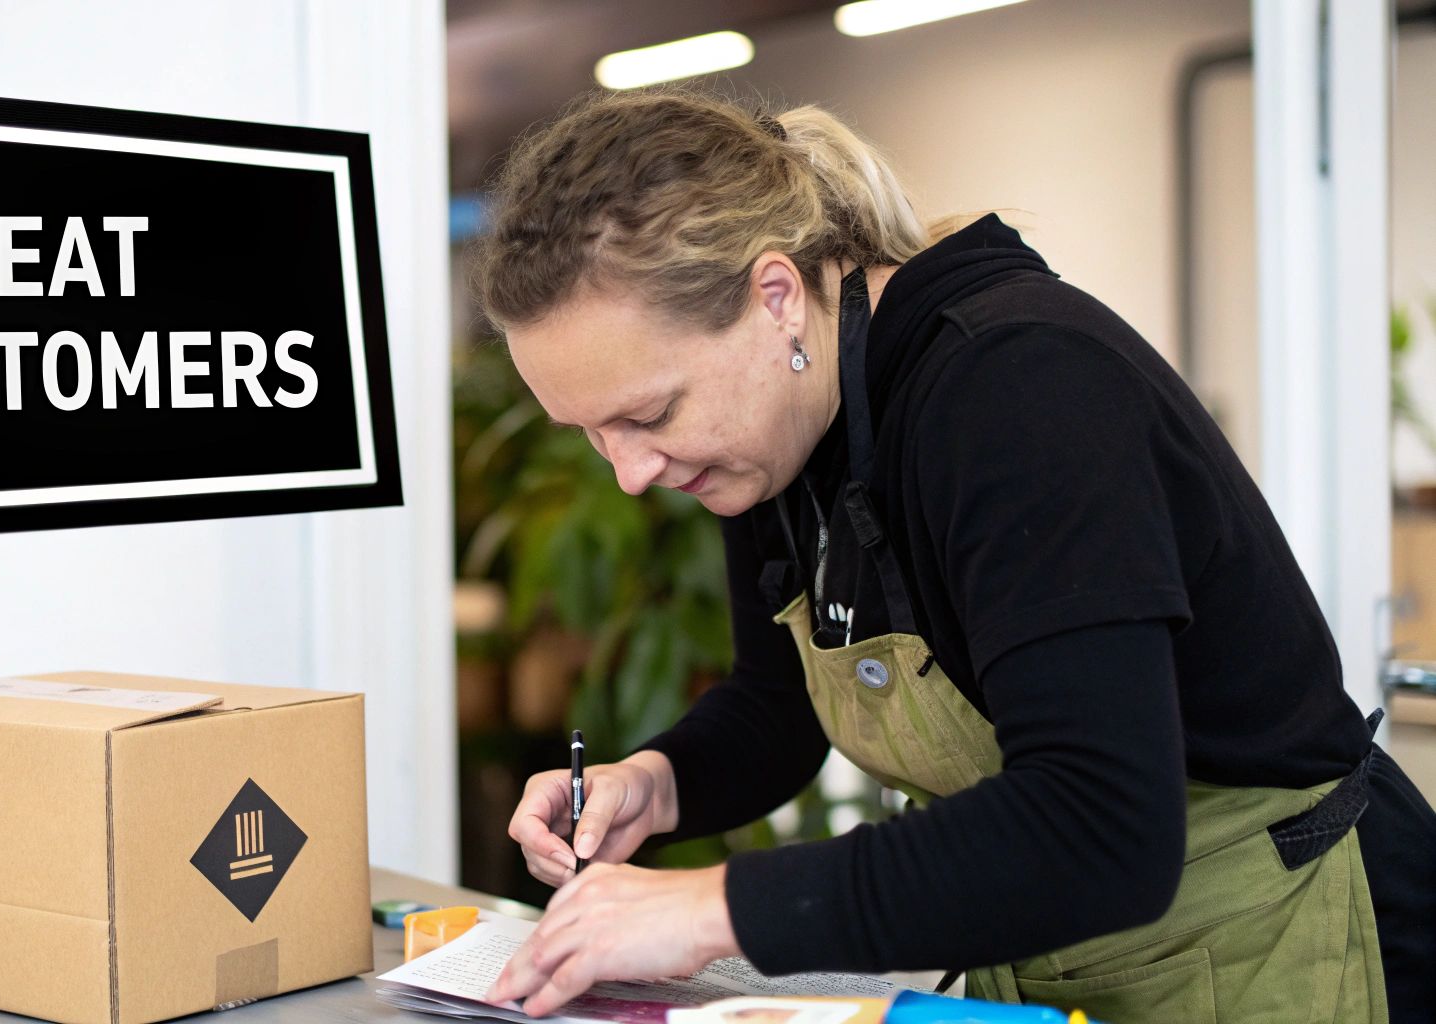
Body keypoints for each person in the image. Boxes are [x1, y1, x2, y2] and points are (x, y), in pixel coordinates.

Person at [467, 88, 1436, 1023]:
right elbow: (778, 705)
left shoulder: (1018, 387)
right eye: (592, 435)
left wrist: (705, 909)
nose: (630, 473)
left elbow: (1099, 823)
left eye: (647, 414)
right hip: (1058, 962)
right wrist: (657, 781)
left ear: (773, 299)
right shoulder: (770, 432)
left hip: (1274, 940)